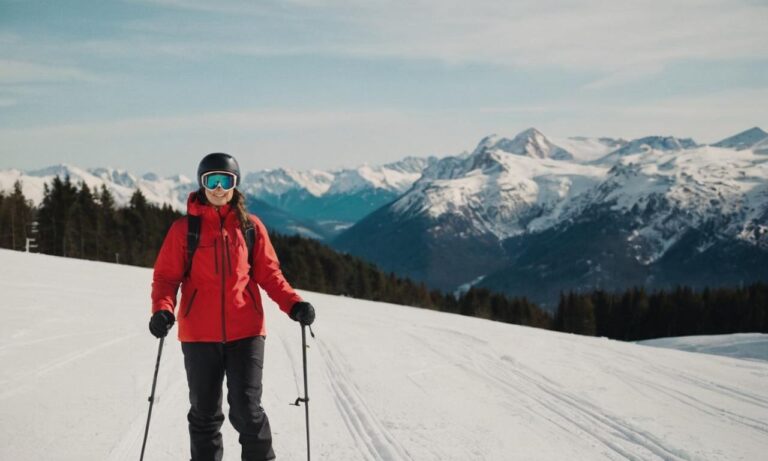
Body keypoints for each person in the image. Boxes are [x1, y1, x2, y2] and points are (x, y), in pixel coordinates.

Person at [149, 152, 316, 461]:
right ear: (201, 183)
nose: (218, 187)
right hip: (199, 335)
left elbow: (269, 273)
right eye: (211, 180)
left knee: (247, 410)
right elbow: (166, 277)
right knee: (204, 414)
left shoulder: (250, 227)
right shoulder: (184, 230)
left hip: (247, 331)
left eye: (225, 180)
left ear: (235, 184)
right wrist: (163, 309)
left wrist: (294, 304)